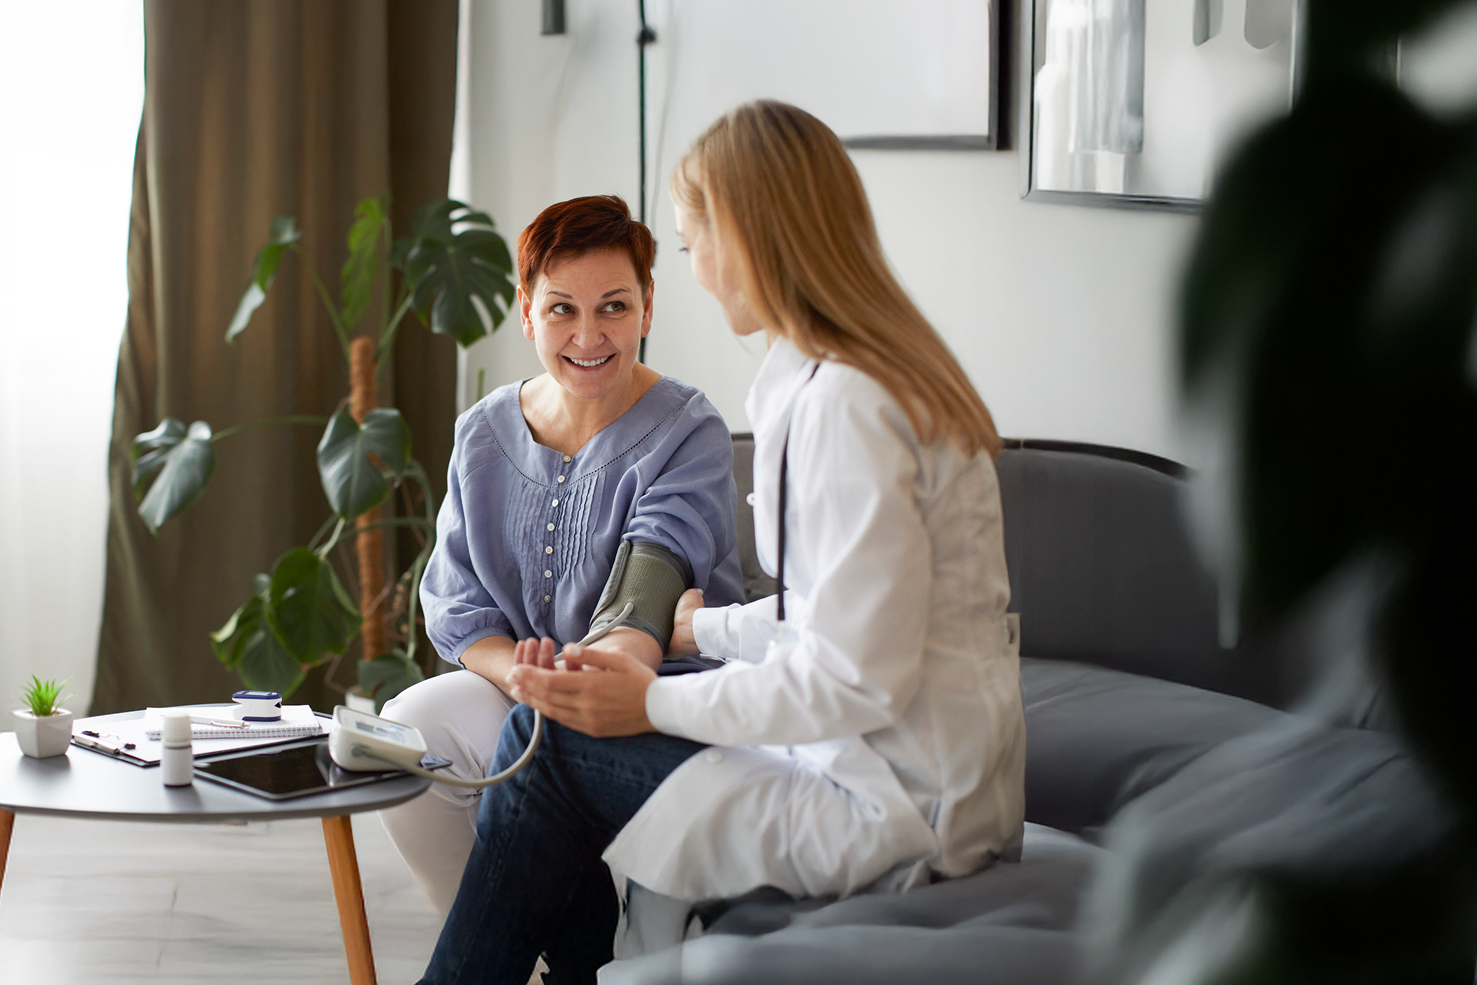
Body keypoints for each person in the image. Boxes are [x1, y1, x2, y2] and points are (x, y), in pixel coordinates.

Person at [418, 100, 1026, 984]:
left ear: (747, 238)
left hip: (894, 806)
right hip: (903, 772)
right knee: (534, 740)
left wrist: (651, 703)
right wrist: (709, 632)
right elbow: (854, 615)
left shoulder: (845, 406)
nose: (697, 268)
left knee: (541, 749)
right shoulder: (857, 375)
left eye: (694, 240)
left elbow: (856, 676)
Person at [377, 194, 743, 914]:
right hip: (521, 687)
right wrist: (521, 676)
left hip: (653, 694)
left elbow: (653, 579)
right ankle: (515, 949)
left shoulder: (688, 428)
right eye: (561, 310)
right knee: (408, 729)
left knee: (547, 750)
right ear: (525, 309)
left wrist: (580, 682)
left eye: (613, 307)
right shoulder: (483, 432)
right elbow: (457, 601)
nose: (588, 335)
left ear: (646, 308)